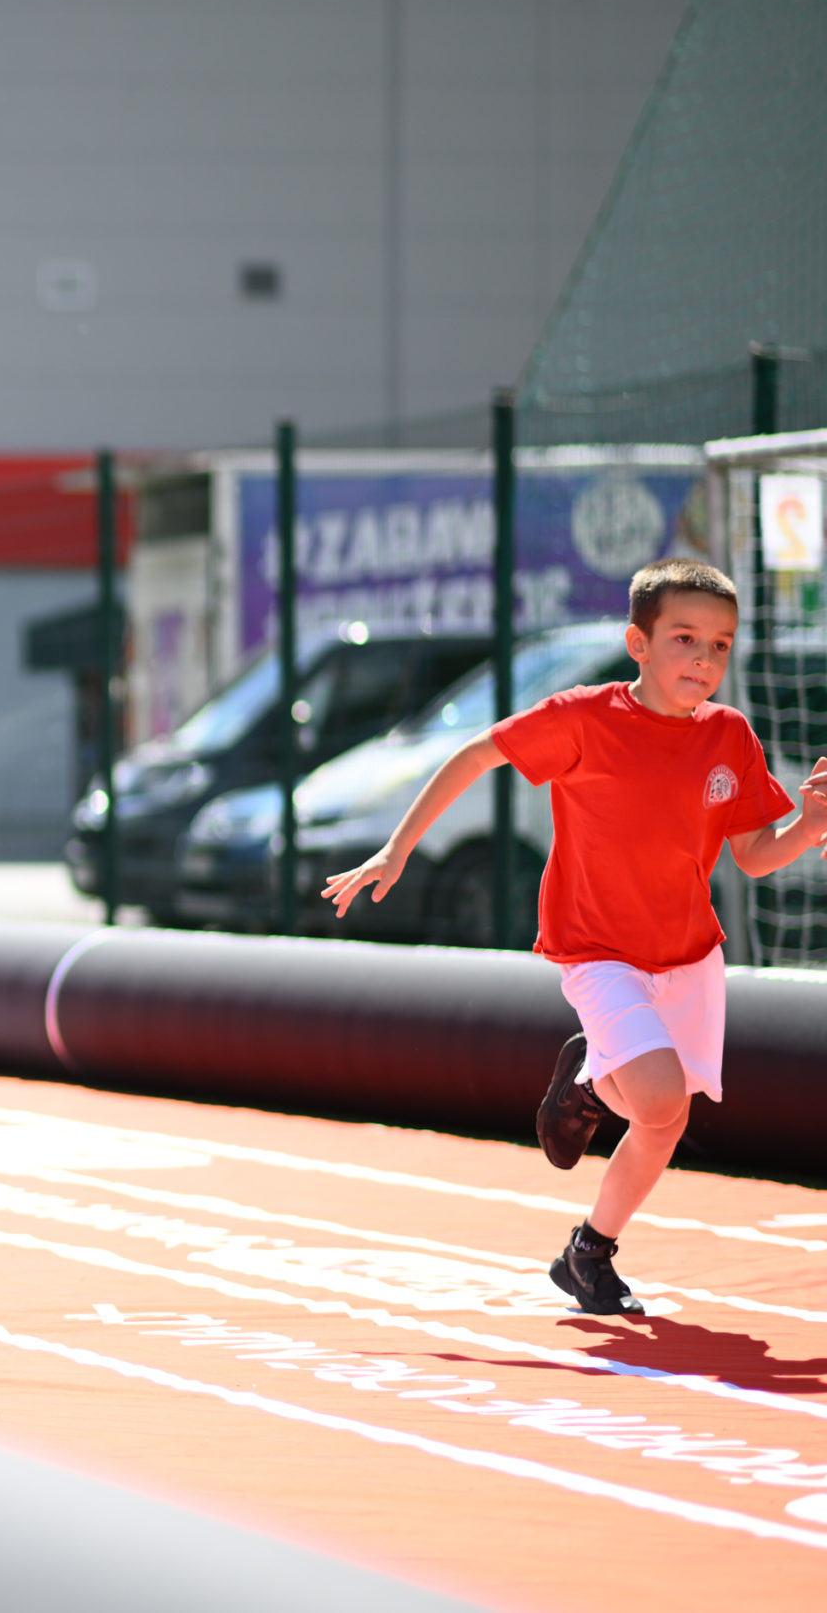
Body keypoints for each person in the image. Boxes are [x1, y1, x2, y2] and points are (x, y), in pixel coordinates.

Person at [323, 559, 827, 1315]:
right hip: (597, 950)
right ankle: (595, 1077)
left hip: (689, 952)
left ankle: (588, 1252)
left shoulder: (729, 735)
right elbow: (474, 754)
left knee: (666, 1119)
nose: (703, 658)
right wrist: (397, 848)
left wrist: (810, 826)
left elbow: (754, 854)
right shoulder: (584, 718)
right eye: (684, 638)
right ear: (638, 643)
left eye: (720, 644)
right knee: (657, 1095)